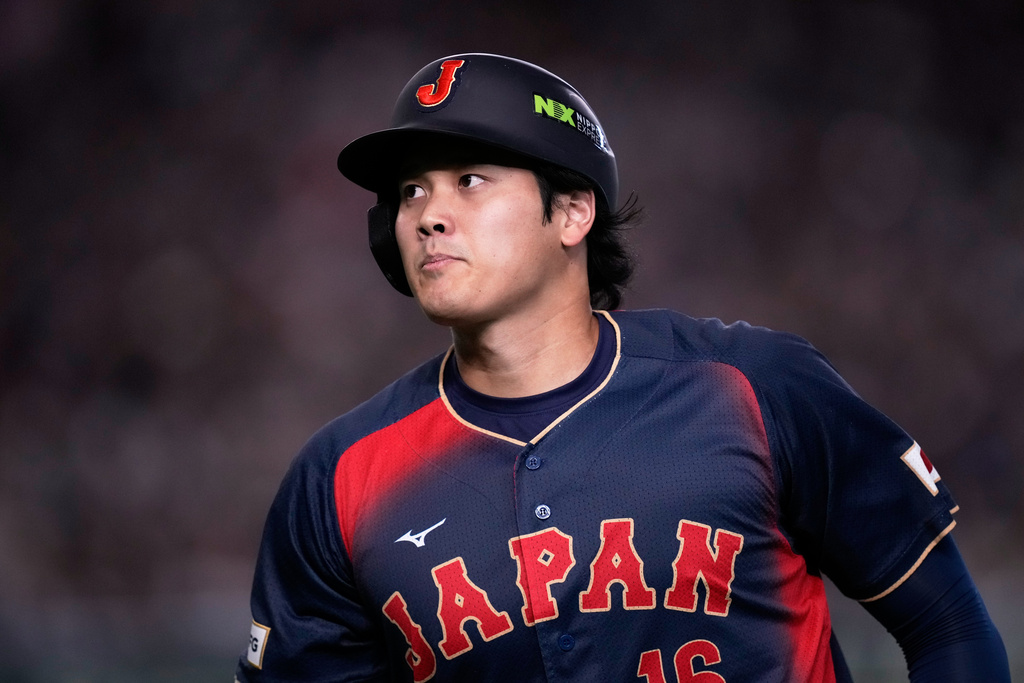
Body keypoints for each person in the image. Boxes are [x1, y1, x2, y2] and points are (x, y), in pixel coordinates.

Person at [235, 53, 1010, 682]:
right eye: (411, 191)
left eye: (470, 180)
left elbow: (950, 631)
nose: (429, 214)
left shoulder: (750, 387)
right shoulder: (338, 481)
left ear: (572, 212)